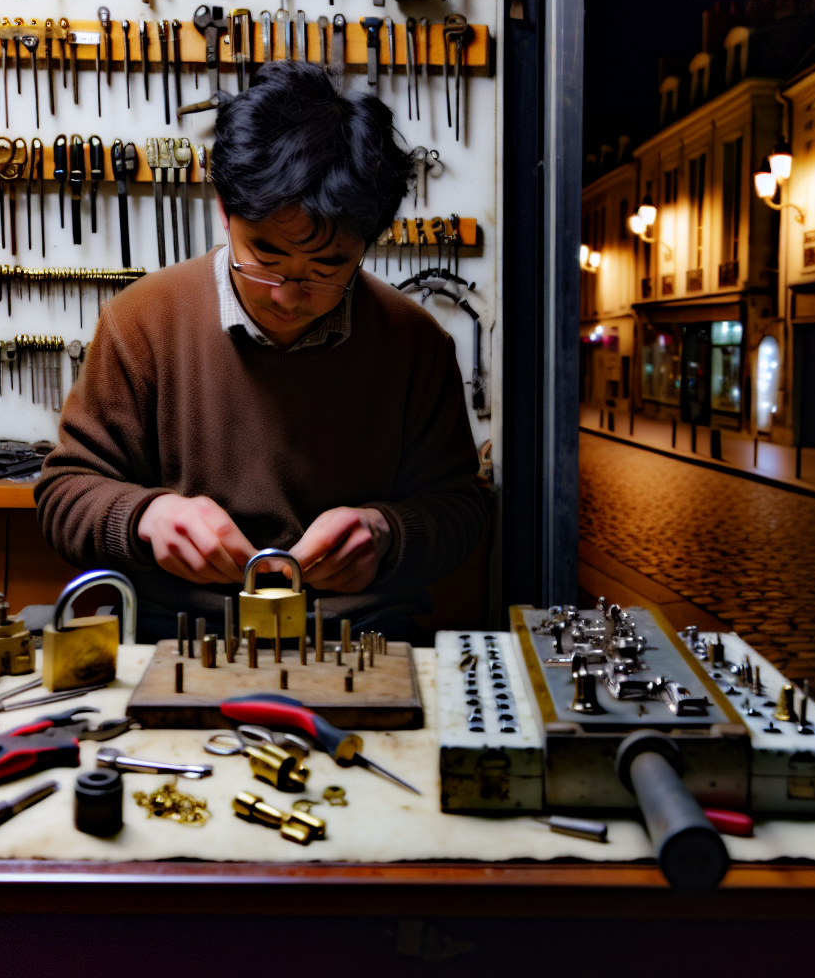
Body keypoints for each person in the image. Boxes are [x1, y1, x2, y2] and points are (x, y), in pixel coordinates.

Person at [36, 61, 486, 639]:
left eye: (328, 268)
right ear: (225, 210)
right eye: (266, 259)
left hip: (360, 637)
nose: (289, 296)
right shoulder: (140, 322)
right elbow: (63, 492)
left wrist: (390, 532)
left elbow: (461, 509)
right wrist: (147, 517)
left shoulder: (417, 343)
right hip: (177, 636)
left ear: (371, 241)